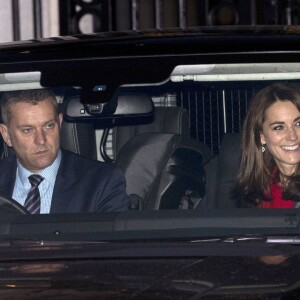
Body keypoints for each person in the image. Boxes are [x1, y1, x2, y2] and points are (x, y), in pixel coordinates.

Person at [0, 89, 130, 213]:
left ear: (60, 123)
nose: (41, 140)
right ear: (6, 135)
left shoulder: (101, 182)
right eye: (28, 130)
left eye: (49, 126)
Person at [234, 82, 300, 208]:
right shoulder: (259, 190)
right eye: (279, 127)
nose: (292, 136)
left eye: (298, 124)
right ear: (262, 137)